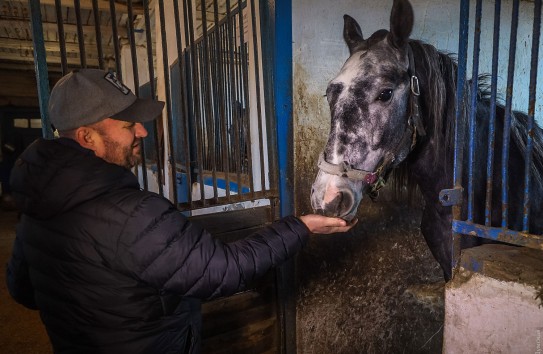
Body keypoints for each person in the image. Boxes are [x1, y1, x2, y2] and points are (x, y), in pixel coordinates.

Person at [6, 68, 356, 354]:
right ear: (87, 137)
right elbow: (225, 270)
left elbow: (22, 290)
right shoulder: (131, 214)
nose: (142, 130)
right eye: (128, 125)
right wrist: (301, 227)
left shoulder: (36, 206)